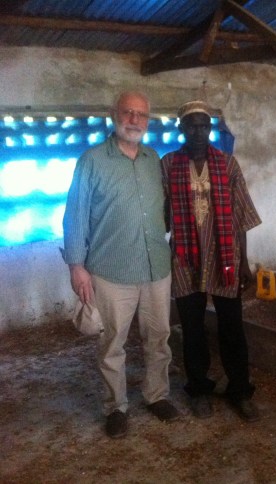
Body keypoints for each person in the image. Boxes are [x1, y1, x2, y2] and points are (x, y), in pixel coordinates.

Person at [62, 91, 180, 439]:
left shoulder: (152, 159)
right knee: (112, 343)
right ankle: (116, 406)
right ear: (114, 115)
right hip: (111, 271)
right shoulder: (92, 160)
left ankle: (157, 395)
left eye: (141, 114)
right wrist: (76, 265)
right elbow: (75, 215)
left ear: (148, 120)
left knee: (159, 337)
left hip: (156, 267)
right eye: (128, 112)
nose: (134, 120)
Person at [161, 100, 261, 421]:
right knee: (192, 328)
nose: (198, 131)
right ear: (181, 128)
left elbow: (241, 215)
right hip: (185, 259)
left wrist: (244, 263)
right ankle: (199, 389)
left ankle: (240, 390)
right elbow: (160, 214)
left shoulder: (228, 165)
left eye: (204, 125)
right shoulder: (168, 165)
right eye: (192, 125)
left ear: (210, 128)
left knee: (232, 326)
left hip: (225, 258)